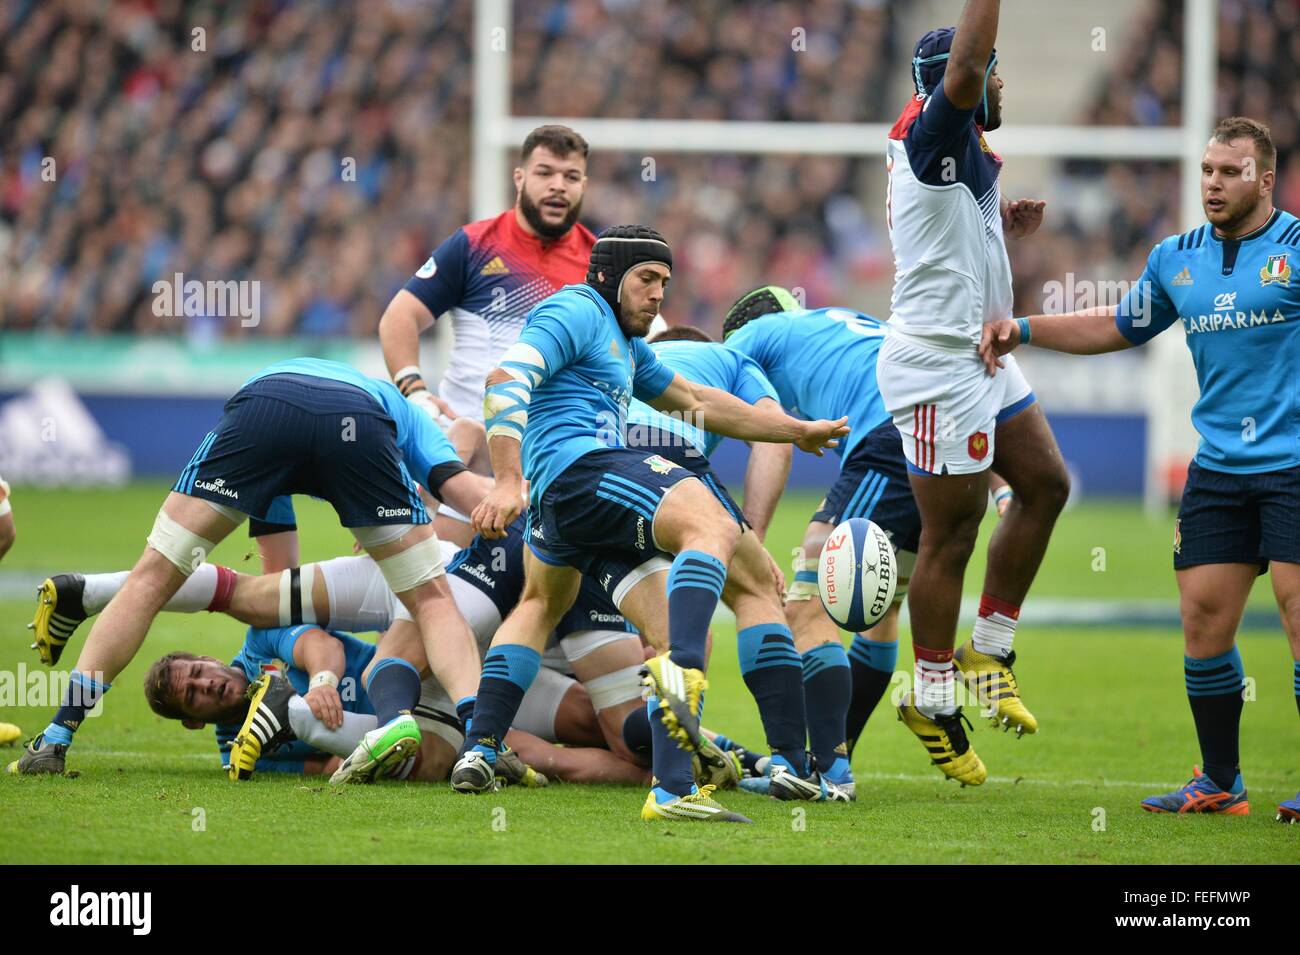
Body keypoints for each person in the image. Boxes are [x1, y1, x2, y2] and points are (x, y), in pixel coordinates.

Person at [458, 224, 848, 823]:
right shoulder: (576, 310)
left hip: (568, 511)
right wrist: (508, 479)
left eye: (665, 282)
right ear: (609, 278)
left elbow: (702, 402)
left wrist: (798, 430)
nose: (658, 294)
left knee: (543, 605)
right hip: (580, 471)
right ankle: (693, 683)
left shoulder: (627, 348)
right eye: (646, 279)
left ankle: (493, 753)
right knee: (710, 526)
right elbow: (505, 380)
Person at [979, 116, 1300, 822]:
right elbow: (1120, 325)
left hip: (1294, 465)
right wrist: (1025, 329)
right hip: (1218, 467)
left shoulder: (1297, 250)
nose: (1213, 183)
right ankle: (1221, 781)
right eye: (1208, 170)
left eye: (1230, 171)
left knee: (1297, 614)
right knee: (1203, 624)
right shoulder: (1176, 258)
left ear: (1265, 179)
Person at [11, 358, 485, 776]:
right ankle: (481, 742)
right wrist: (504, 493)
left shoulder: (367, 395)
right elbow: (466, 489)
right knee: (431, 600)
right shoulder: (417, 421)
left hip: (266, 403)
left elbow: (282, 578)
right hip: (359, 422)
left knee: (152, 579)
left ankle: (56, 735)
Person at [875, 0, 1069, 786]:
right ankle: (930, 696)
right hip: (937, 365)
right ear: (962, 80)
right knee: (949, 533)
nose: (1001, 84)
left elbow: (950, 226)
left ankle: (987, 650)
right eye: (995, 71)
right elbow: (962, 65)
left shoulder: (962, 148)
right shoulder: (936, 127)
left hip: (984, 347)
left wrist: (1000, 228)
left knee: (1047, 484)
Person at [623, 323, 851, 801]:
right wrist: (752, 537)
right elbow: (772, 437)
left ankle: (670, 766)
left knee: (660, 625)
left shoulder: (629, 358)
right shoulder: (732, 361)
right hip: (669, 460)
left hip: (595, 471)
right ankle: (790, 761)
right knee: (756, 590)